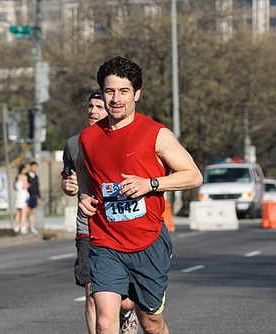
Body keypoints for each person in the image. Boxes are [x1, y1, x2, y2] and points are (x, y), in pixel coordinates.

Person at [77, 56, 203, 334]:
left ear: (137, 94)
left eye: (124, 91)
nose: (116, 98)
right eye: (110, 91)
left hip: (148, 243)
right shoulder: (88, 138)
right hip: (105, 241)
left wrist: (151, 184)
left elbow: (194, 175)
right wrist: (84, 196)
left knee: (151, 323)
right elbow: (83, 171)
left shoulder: (155, 133)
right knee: (103, 321)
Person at [62, 92, 138, 334]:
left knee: (126, 299)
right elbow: (67, 180)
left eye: (98, 107)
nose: (92, 111)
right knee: (93, 294)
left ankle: (127, 312)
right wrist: (68, 187)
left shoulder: (128, 140)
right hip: (89, 228)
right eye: (90, 106)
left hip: (123, 226)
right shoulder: (75, 143)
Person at [13, 164, 30, 234]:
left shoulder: (16, 177)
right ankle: (23, 227)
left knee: (18, 212)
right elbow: (24, 186)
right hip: (23, 195)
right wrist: (28, 185)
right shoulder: (24, 177)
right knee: (24, 212)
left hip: (18, 195)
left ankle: (16, 227)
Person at [27, 161, 42, 234]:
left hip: (34, 195)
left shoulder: (36, 176)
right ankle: (23, 226)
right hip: (27, 195)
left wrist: (39, 197)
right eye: (34, 166)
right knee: (25, 211)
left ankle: (31, 226)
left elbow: (37, 187)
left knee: (32, 212)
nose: (35, 168)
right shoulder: (26, 175)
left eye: (36, 167)